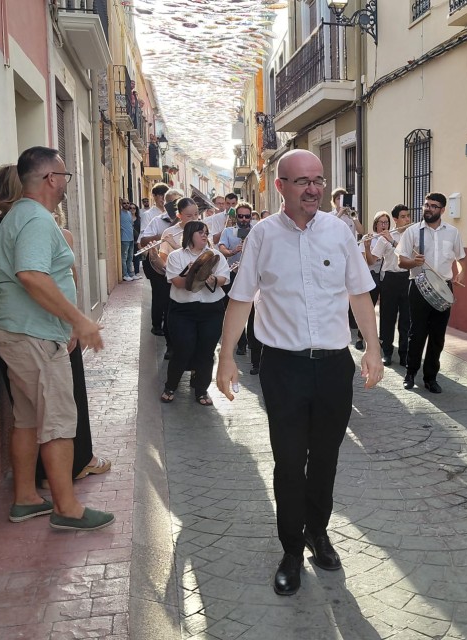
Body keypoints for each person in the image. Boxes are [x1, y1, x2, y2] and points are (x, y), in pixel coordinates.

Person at [216, 149, 382, 597]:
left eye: (318, 180)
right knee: (290, 463)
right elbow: (241, 299)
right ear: (281, 186)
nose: (313, 188)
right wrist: (226, 357)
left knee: (325, 460)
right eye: (302, 181)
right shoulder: (263, 236)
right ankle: (291, 549)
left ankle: (317, 533)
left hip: (332, 367)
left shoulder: (340, 232)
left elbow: (360, 293)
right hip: (283, 368)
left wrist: (373, 349)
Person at [0, 147, 114, 531]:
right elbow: (31, 275)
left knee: (26, 420)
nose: (64, 183)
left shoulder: (15, 216)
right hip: (35, 338)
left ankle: (26, 498)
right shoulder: (39, 221)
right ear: (50, 179)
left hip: (18, 333)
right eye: (64, 176)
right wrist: (79, 321)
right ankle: (67, 509)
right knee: (58, 422)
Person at [396, 192, 465, 394]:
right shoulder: (413, 232)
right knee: (416, 334)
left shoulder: (452, 232)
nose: (428, 209)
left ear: (442, 210)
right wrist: (413, 262)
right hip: (418, 285)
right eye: (426, 205)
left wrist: (461, 273)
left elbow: (462, 259)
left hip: (443, 287)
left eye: (434, 206)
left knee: (437, 336)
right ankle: (410, 373)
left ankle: (430, 377)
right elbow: (401, 261)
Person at [161, 220, 229, 406]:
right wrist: (192, 274)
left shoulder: (215, 255)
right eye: (201, 232)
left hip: (211, 310)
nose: (205, 235)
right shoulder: (176, 256)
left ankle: (201, 390)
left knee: (206, 351)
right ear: (190, 234)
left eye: (206, 232)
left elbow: (224, 278)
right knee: (183, 348)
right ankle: (170, 386)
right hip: (183, 310)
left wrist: (211, 277)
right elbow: (177, 283)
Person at [218, 201, 261, 369]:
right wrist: (232, 251)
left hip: (252, 277)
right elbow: (221, 247)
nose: (244, 219)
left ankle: (253, 348)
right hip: (233, 274)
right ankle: (241, 343)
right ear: (236, 217)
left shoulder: (257, 230)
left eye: (247, 216)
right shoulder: (228, 231)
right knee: (234, 310)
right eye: (241, 216)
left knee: (252, 313)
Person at [371, 204, 412, 366]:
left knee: (406, 319)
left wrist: (393, 242)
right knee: (387, 317)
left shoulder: (411, 236)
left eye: (408, 216)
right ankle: (387, 352)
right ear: (395, 219)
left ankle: (404, 354)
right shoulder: (384, 237)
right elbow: (373, 259)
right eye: (403, 217)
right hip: (389, 279)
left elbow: (409, 255)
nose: (407, 219)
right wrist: (367, 245)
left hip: (407, 278)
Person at [139, 187, 182, 336]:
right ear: (166, 204)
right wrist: (164, 234)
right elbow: (142, 241)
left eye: (178, 203)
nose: (175, 206)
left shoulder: (189, 221)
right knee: (160, 297)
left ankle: (172, 330)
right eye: (172, 203)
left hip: (179, 266)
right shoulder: (155, 220)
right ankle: (157, 325)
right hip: (158, 264)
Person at [119, 200, 136, 281]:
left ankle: (130, 273)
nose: (126, 204)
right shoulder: (119, 213)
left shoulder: (129, 213)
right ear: (121, 204)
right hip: (124, 239)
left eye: (127, 203)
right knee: (124, 257)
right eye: (124, 203)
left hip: (131, 238)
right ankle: (125, 274)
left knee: (130, 257)